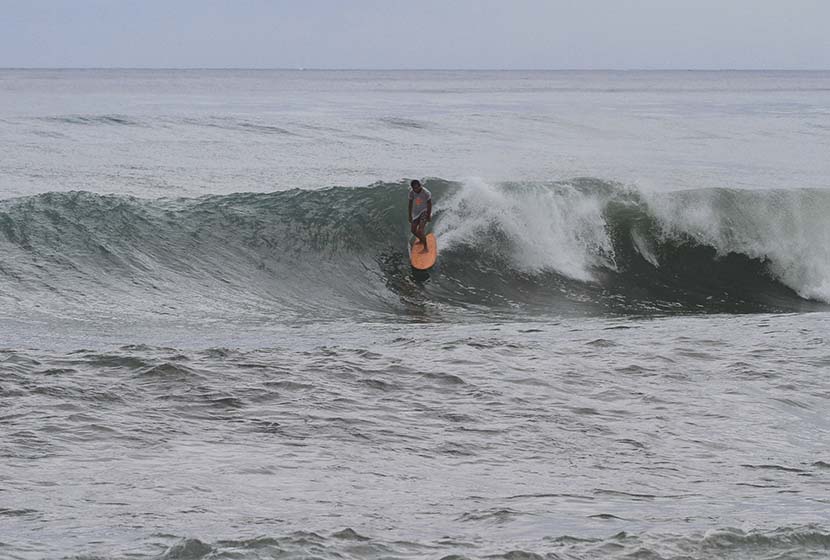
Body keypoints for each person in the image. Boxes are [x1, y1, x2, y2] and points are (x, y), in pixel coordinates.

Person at [408, 179, 432, 252]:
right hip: (416, 213)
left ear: (420, 186)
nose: (416, 189)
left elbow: (429, 204)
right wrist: (409, 216)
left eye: (417, 187)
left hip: (424, 211)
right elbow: (410, 204)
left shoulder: (426, 193)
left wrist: (428, 215)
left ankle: (426, 248)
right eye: (414, 188)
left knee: (420, 230)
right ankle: (422, 240)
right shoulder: (411, 193)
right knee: (413, 230)